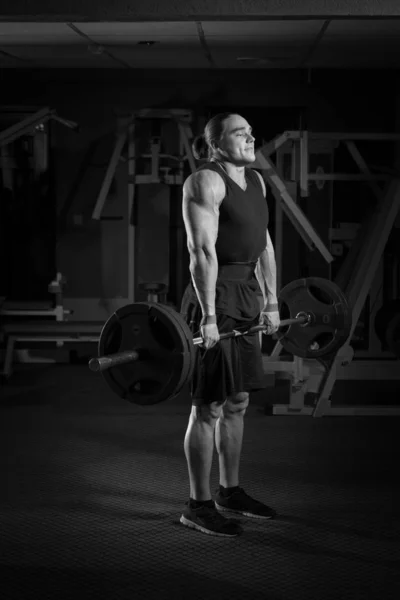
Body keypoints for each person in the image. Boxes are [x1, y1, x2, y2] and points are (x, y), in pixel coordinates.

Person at [179, 113, 280, 537]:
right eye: (240, 133)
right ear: (214, 143)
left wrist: (272, 300)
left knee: (238, 401)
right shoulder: (205, 181)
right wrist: (208, 316)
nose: (250, 137)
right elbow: (201, 252)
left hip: (247, 296)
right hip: (215, 296)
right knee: (209, 406)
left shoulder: (256, 181)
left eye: (251, 132)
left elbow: (264, 244)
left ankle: (229, 490)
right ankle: (198, 504)